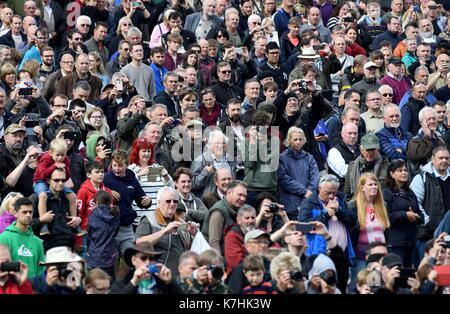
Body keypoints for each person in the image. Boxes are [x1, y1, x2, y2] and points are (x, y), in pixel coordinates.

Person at [135, 187, 199, 277]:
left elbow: (189, 250)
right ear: (159, 202)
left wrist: (194, 235)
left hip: (178, 277)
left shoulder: (182, 222)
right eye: (168, 201)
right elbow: (139, 243)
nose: (172, 204)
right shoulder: (149, 220)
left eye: (175, 201)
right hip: (157, 275)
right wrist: (164, 231)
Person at [103, 149, 151, 258]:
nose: (117, 169)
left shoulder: (132, 180)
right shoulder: (106, 179)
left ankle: (125, 275)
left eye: (120, 166)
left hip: (127, 226)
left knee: (130, 256)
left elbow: (142, 200)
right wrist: (108, 191)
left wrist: (147, 201)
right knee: (112, 258)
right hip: (109, 225)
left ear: (126, 165)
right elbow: (95, 190)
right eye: (114, 165)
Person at [410, 146, 450, 263]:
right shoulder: (421, 177)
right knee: (429, 268)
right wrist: (427, 221)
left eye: (447, 158)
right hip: (427, 235)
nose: (444, 161)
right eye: (441, 158)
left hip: (448, 233)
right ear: (433, 159)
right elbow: (415, 202)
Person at [32, 139, 79, 237]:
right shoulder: (45, 159)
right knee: (43, 196)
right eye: (57, 155)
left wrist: (64, 168)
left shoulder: (65, 160)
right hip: (40, 181)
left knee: (73, 196)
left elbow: (67, 176)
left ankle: (74, 221)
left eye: (63, 155)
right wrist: (54, 166)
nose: (60, 158)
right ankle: (44, 224)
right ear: (50, 153)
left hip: (57, 181)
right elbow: (43, 175)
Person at [349, 173, 390, 280]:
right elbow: (351, 232)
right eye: (370, 184)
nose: (374, 187)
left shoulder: (382, 205)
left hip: (377, 259)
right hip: (359, 258)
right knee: (359, 287)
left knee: (373, 286)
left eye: (375, 184)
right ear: (362, 187)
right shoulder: (353, 206)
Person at [383, 159, 423, 268]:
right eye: (400, 170)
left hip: (410, 241)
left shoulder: (410, 193)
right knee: (396, 274)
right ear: (391, 173)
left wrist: (416, 217)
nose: (404, 173)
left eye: (405, 170)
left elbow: (420, 214)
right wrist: (405, 215)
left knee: (407, 275)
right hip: (395, 241)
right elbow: (386, 216)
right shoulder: (386, 193)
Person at [128, 138, 174, 224]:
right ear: (137, 152)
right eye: (144, 151)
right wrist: (139, 175)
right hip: (139, 219)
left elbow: (169, 189)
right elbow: (128, 188)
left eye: (149, 151)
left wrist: (166, 177)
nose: (147, 154)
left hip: (157, 217)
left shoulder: (155, 167)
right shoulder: (131, 169)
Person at [278, 126, 319, 220]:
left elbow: (315, 178)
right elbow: (284, 180)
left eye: (300, 139)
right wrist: (304, 191)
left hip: (308, 203)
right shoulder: (282, 158)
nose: (298, 142)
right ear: (289, 140)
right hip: (290, 204)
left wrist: (309, 192)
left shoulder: (309, 158)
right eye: (295, 139)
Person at [110, 242, 180, 294]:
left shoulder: (161, 282)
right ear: (133, 260)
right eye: (143, 258)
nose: (148, 262)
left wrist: (170, 282)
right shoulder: (123, 282)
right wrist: (134, 283)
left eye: (151, 259)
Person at [0, 197, 45, 278]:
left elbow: (41, 271)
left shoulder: (38, 242)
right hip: (12, 288)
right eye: (24, 212)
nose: (28, 215)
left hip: (32, 289)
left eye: (30, 212)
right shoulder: (3, 238)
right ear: (15, 213)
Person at [202, 180, 247, 254]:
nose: (243, 199)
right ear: (229, 192)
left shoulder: (238, 209)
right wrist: (219, 264)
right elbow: (214, 243)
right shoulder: (218, 212)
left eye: (244, 196)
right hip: (218, 257)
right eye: (240, 195)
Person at [344, 134, 390, 201]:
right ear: (361, 150)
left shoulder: (386, 166)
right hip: (357, 204)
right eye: (367, 150)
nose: (370, 153)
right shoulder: (352, 167)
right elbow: (347, 193)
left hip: (379, 203)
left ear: (378, 149)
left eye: (373, 150)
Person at [86, 190, 120, 279]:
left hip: (95, 255)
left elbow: (89, 234)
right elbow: (116, 232)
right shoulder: (115, 214)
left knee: (95, 282)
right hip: (110, 254)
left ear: (96, 202)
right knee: (110, 283)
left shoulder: (93, 215)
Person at [223, 205, 257, 273]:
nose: (251, 221)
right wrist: (260, 262)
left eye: (253, 218)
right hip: (239, 274)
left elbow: (272, 249)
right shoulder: (231, 236)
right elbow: (236, 262)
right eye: (247, 218)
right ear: (239, 220)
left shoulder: (261, 233)